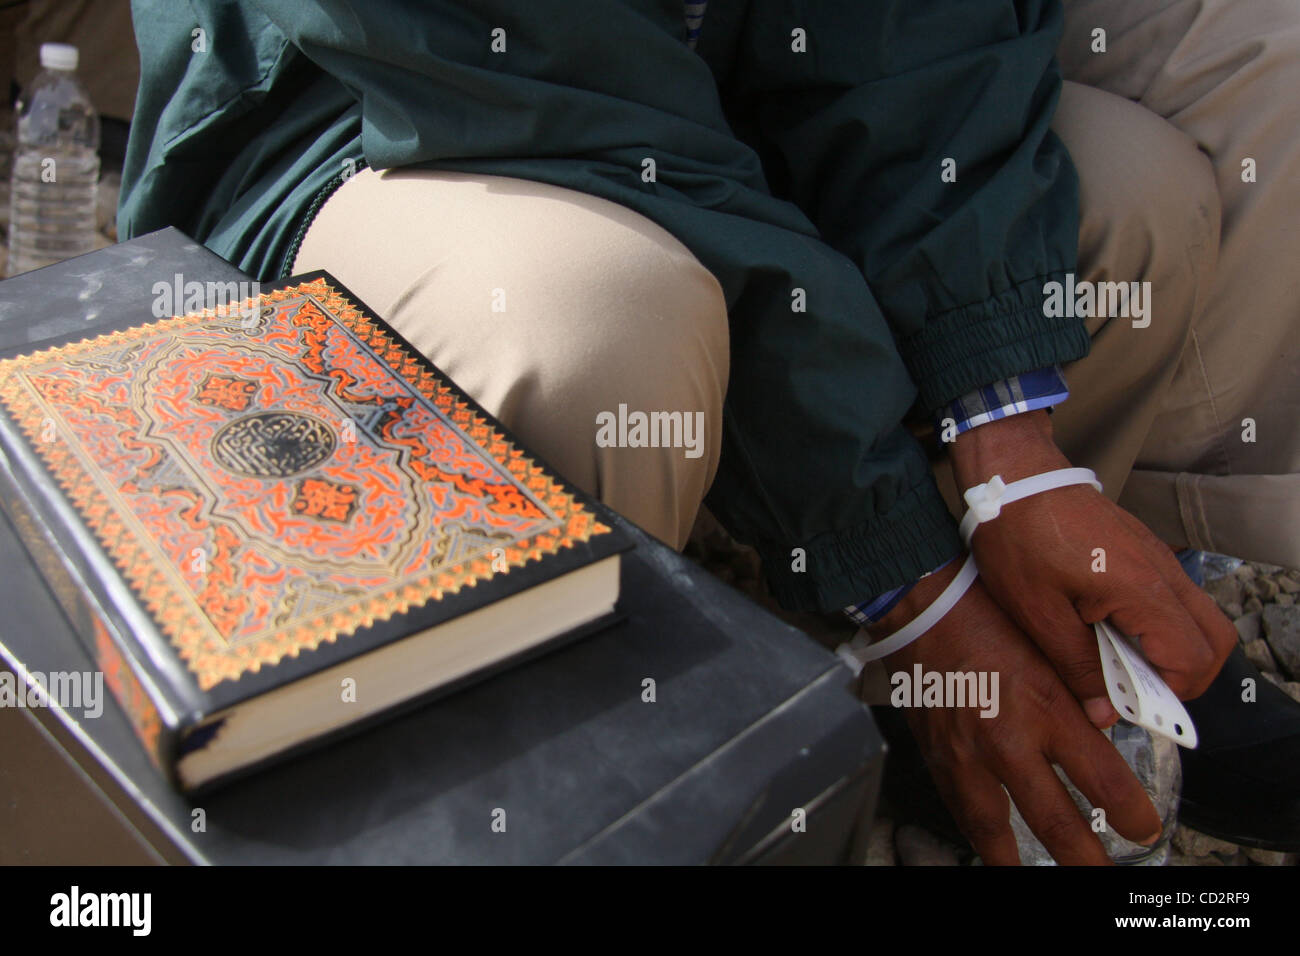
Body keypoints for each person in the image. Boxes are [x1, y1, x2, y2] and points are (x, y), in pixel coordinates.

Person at [118, 0, 1300, 864]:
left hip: (715, 77)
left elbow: (903, 44)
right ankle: (603, 807)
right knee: (596, 324)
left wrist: (1007, 446)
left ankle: (984, 714)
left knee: (1132, 199)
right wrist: (913, 579)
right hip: (395, 115)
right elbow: (575, 106)